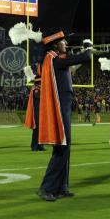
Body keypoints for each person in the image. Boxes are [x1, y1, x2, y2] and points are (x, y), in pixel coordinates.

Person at [37, 28, 92, 201]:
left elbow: (73, 65)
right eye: (63, 41)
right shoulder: (54, 58)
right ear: (55, 44)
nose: (66, 44)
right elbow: (84, 57)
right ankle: (47, 187)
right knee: (61, 148)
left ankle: (61, 187)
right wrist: (88, 47)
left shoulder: (55, 60)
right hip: (60, 107)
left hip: (64, 105)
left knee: (65, 148)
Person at [24, 70, 45, 152]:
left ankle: (40, 145)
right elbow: (40, 98)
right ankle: (34, 145)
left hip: (41, 112)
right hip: (36, 113)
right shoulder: (36, 89)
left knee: (41, 129)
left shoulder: (40, 89)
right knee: (36, 129)